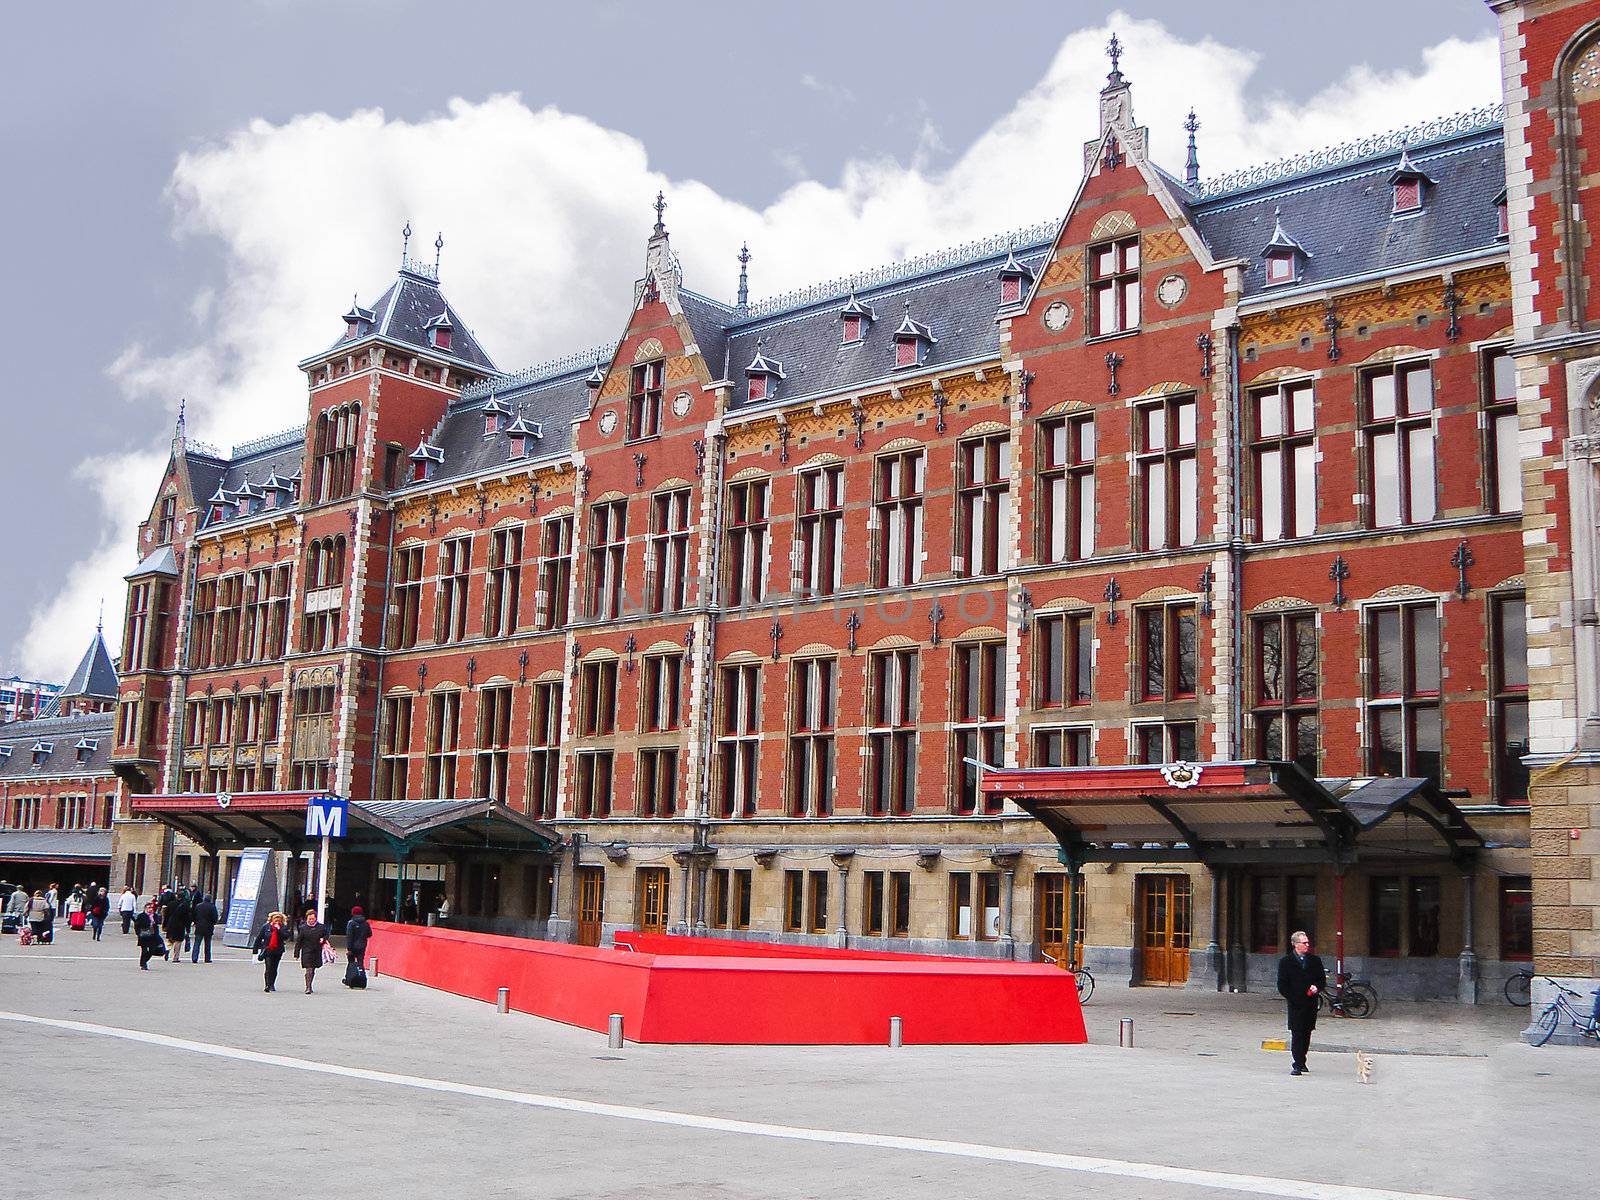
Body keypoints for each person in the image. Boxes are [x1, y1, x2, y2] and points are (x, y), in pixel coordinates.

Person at [1276, 930, 1327, 1076]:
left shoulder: (1315, 960)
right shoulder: (1286, 962)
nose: (1307, 945)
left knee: (1307, 1033)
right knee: (1297, 1033)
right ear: (1295, 944)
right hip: (1296, 1004)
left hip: (1310, 1003)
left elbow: (1321, 979)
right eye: (1304, 943)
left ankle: (1302, 1060)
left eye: (1308, 942)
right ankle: (1297, 1064)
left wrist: (1316, 987)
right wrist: (1293, 997)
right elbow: (1282, 985)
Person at [294, 907, 330, 994]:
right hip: (307, 951)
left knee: (313, 969)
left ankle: (310, 984)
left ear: (316, 918)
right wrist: (296, 953)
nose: (311, 920)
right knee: (308, 969)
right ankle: (308, 987)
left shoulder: (321, 927)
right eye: (309, 919)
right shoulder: (303, 928)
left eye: (313, 919)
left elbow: (326, 934)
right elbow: (299, 941)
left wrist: (323, 939)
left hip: (316, 951)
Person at [253, 911, 291, 993]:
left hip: (278, 950)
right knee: (268, 967)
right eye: (275, 920)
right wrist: (255, 950)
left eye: (279, 920)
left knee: (274, 968)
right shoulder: (266, 927)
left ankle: (272, 984)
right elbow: (259, 937)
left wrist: (278, 930)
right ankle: (267, 984)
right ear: (271, 920)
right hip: (268, 949)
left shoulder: (283, 927)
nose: (277, 922)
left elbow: (286, 937)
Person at [161, 887, 191, 963]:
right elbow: (188, 918)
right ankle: (175, 957)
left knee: (170, 939)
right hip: (180, 925)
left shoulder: (171, 904)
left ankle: (167, 950)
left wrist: (164, 925)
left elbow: (166, 915)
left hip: (171, 924)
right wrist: (188, 929)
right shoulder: (185, 906)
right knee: (178, 941)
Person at [134, 900, 164, 970]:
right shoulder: (141, 916)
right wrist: (138, 933)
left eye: (152, 908)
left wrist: (154, 921)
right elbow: (137, 925)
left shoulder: (155, 916)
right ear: (145, 908)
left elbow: (158, 923)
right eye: (149, 908)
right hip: (144, 935)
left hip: (153, 936)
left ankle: (144, 961)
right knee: (144, 950)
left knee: (152, 950)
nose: (150, 909)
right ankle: (143, 964)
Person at [190, 893, 219, 963]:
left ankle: (194, 957)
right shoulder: (212, 907)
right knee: (208, 943)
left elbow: (193, 915)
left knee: (197, 943)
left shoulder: (198, 906)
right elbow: (215, 917)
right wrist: (213, 923)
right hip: (209, 927)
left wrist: (195, 922)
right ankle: (207, 958)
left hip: (199, 926)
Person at [344, 905, 372, 978]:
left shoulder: (351, 923)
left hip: (353, 947)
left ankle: (350, 978)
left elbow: (349, 936)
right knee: (360, 962)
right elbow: (369, 934)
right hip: (362, 945)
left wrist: (349, 948)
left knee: (351, 963)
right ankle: (362, 977)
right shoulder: (366, 923)